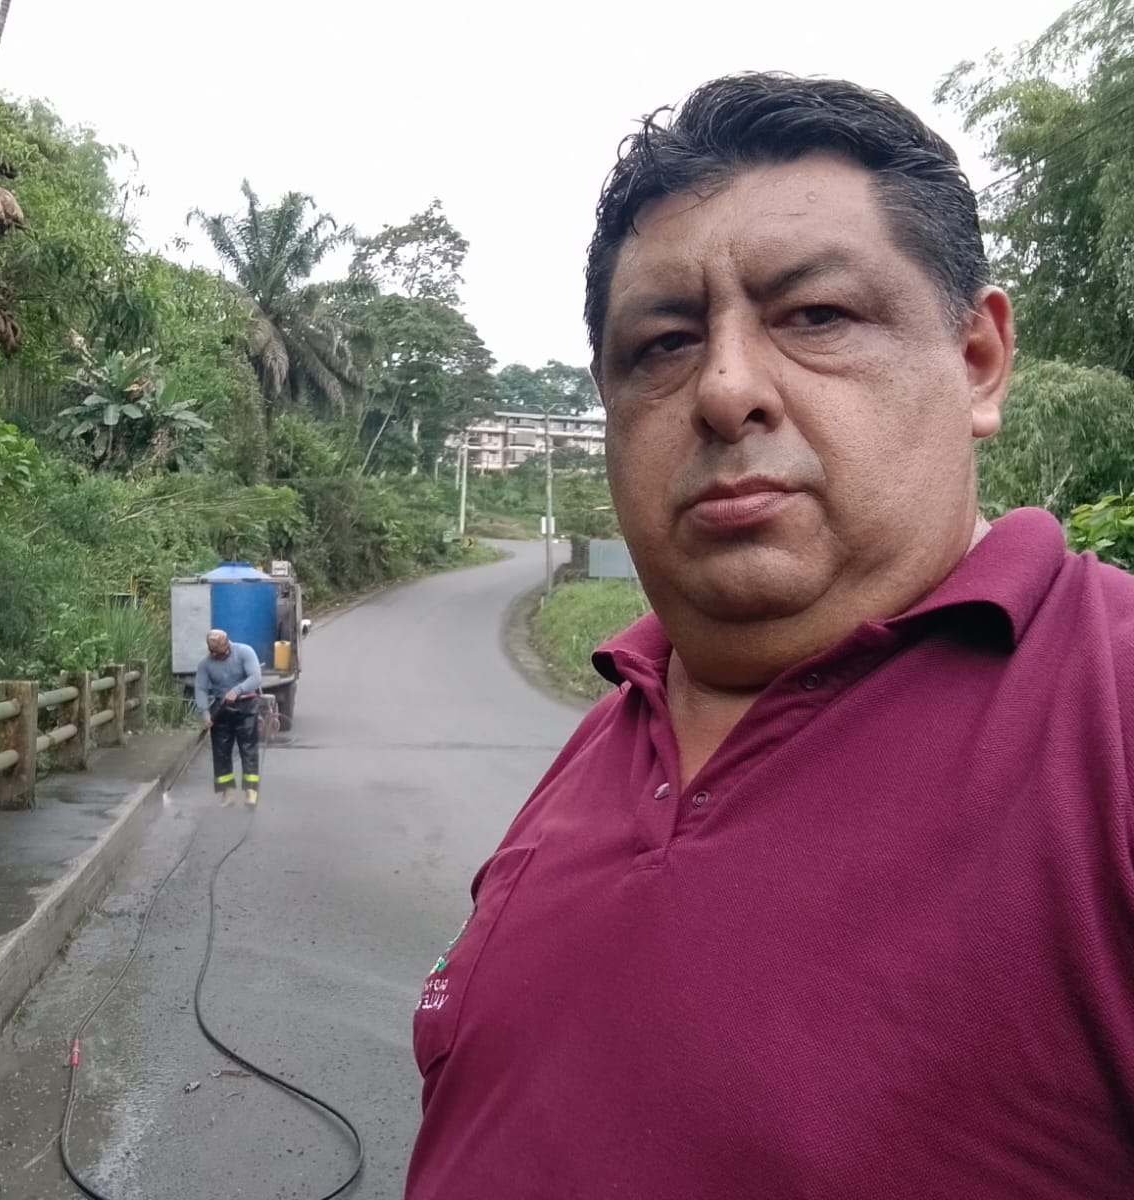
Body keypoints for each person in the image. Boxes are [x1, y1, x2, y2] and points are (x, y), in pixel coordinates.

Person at [407, 73, 1134, 1198]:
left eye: (816, 316)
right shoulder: (611, 727)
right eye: (662, 344)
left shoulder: (1109, 713)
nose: (724, 388)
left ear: (977, 361)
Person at [195, 629, 262, 807]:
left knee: (248, 749)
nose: (216, 656)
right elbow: (200, 688)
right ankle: (228, 792)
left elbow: (255, 677)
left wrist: (237, 690)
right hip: (221, 709)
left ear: (227, 645)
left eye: (219, 652)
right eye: (213, 652)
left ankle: (251, 791)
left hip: (245, 706)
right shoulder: (205, 664)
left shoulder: (245, 652)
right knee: (221, 751)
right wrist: (205, 713)